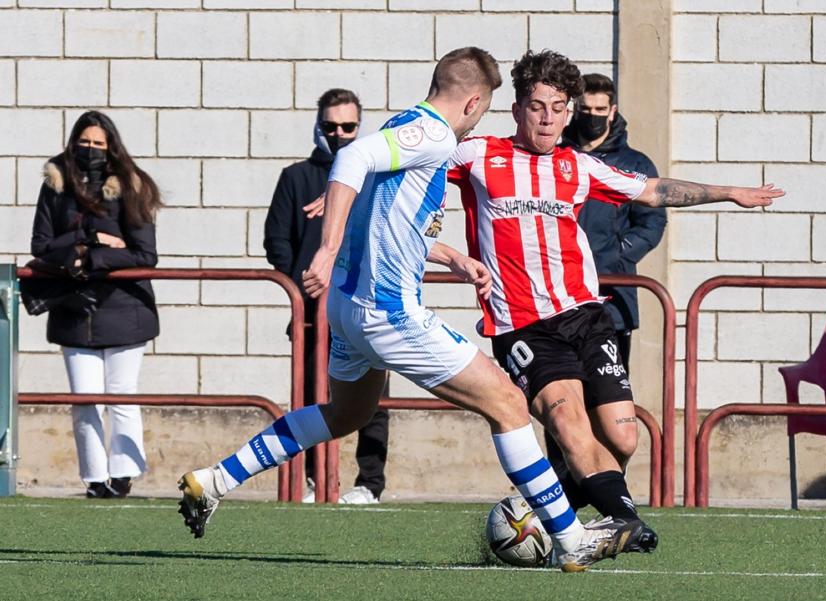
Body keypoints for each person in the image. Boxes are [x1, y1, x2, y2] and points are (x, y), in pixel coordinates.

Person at [178, 46, 652, 573]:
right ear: (473, 100)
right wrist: (327, 246)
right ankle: (570, 537)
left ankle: (214, 479)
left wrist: (450, 254)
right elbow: (351, 158)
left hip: (347, 309)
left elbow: (391, 220)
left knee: (346, 415)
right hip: (389, 312)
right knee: (508, 406)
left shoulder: (405, 130)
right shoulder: (432, 133)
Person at [446, 50, 783, 521]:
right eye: (538, 106)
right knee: (569, 422)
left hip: (586, 315)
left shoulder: (577, 166)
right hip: (525, 325)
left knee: (624, 436)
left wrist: (728, 193)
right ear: (518, 108)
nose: (548, 119)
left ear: (570, 111)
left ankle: (548, 511)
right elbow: (411, 161)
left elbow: (652, 191)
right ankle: (625, 523)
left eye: (558, 107)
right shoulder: (478, 154)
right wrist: (348, 188)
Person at [264, 88, 389, 505]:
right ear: (318, 126)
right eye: (331, 126)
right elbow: (277, 242)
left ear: (360, 126)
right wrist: (307, 285)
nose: (339, 134)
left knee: (373, 400)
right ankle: (313, 479)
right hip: (312, 316)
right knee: (311, 396)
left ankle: (369, 483)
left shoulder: (375, 175)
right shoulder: (296, 177)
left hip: (366, 307)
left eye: (349, 126)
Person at [28, 110, 162, 499]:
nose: (90, 150)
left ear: (112, 147)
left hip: (125, 307)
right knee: (84, 399)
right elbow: (40, 246)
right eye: (84, 143)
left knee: (121, 395)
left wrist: (93, 256)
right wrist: (93, 243)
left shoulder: (132, 186)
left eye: (99, 144)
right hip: (72, 305)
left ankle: (124, 474)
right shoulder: (55, 185)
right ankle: (93, 477)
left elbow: (144, 255)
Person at [561, 73, 665, 368]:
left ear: (613, 111)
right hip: (560, 292)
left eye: (599, 110)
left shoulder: (635, 164)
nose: (592, 117)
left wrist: (618, 254)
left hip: (613, 294)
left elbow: (652, 222)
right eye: (585, 110)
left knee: (612, 392)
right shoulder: (555, 157)